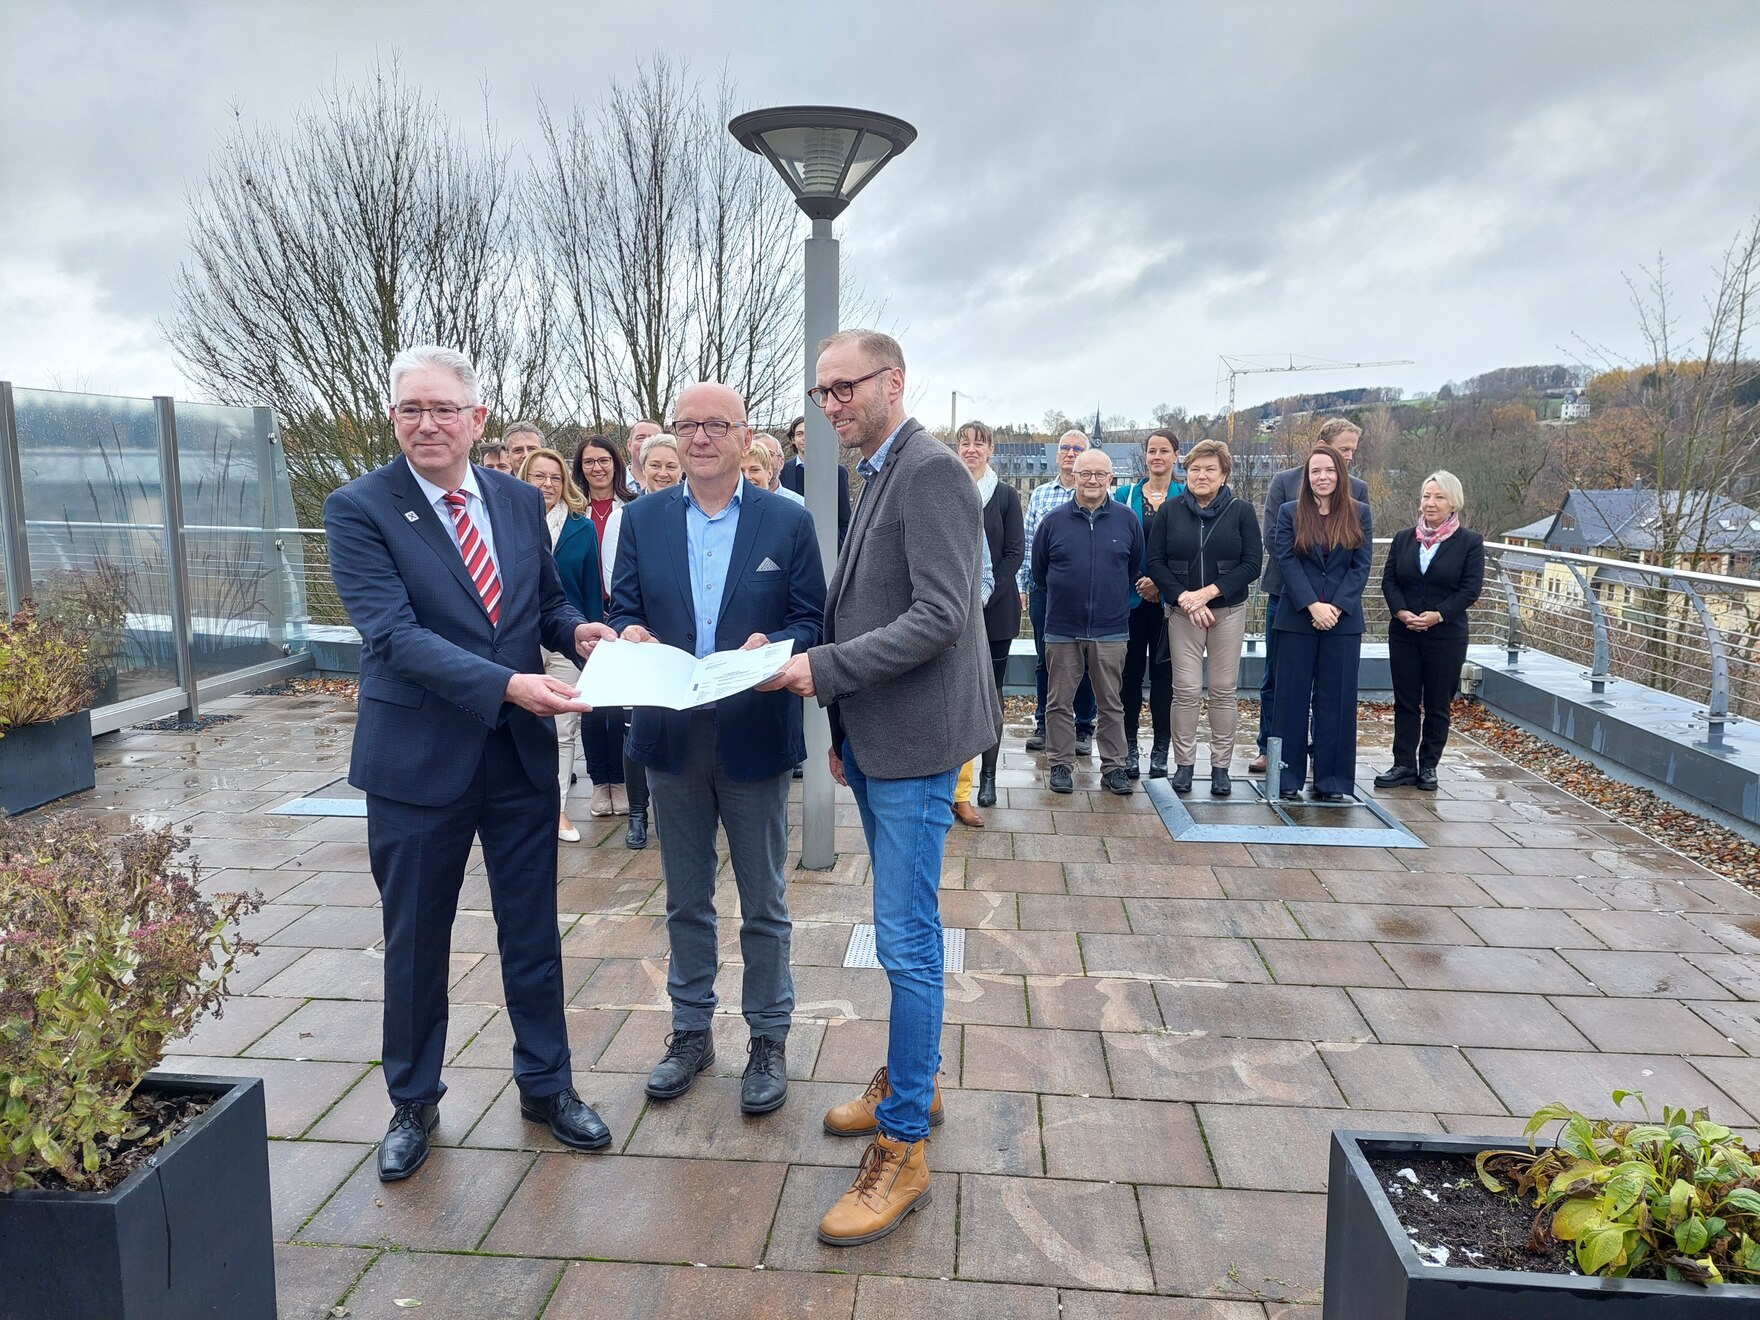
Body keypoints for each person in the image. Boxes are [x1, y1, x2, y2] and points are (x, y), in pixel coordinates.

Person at [323, 345, 612, 1183]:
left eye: (443, 409)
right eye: (410, 409)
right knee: (415, 940)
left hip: (516, 757)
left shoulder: (521, 500)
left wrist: (576, 634)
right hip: (417, 762)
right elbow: (394, 637)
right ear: (393, 419)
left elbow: (541, 605)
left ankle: (546, 1088)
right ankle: (412, 1102)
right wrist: (511, 684)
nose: (427, 424)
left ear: (477, 418)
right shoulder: (359, 508)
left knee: (532, 934)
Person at [761, 329, 998, 1248]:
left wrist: (824, 672)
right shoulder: (878, 467)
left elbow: (942, 615)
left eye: (844, 388)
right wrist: (837, 707)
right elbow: (870, 599)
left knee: (905, 940)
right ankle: (917, 1079)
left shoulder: (930, 469)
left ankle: (904, 1146)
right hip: (879, 733)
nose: (831, 406)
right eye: (820, 393)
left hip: (918, 743)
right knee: (903, 930)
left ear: (894, 382)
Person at [607, 382, 826, 1116]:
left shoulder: (785, 521)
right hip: (670, 732)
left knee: (763, 900)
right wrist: (631, 632)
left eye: (715, 425)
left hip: (754, 728)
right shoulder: (642, 519)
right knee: (685, 899)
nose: (700, 437)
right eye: (688, 425)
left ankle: (768, 1038)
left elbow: (811, 616)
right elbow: (625, 606)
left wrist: (779, 645)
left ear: (743, 434)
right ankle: (691, 1032)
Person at [1145, 440, 1262, 796]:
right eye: (1195, 468)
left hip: (1226, 611)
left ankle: (1221, 767)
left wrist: (1208, 593)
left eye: (1210, 469)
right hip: (1182, 613)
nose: (1201, 475)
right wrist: (1185, 599)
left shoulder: (1241, 511)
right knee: (1186, 691)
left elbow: (1252, 564)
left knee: (1224, 691)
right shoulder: (1170, 511)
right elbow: (1155, 563)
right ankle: (1184, 765)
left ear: (1224, 474)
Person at [1252, 418, 1366, 775]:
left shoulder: (1358, 493)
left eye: (1350, 453)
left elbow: (1356, 555)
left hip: (1337, 609)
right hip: (1289, 599)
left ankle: (1324, 760)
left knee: (1333, 689)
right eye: (1342, 450)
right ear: (1321, 445)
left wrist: (1332, 603)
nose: (1347, 458)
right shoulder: (1284, 484)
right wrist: (1310, 601)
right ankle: (1273, 751)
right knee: (1281, 682)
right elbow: (1275, 541)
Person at [1032, 448, 1143, 797]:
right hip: (1062, 627)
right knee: (1058, 701)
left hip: (1110, 629)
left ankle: (1113, 768)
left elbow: (1133, 568)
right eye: (1085, 474)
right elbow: (1039, 573)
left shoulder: (1127, 521)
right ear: (1074, 477)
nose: (1092, 480)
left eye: (1100, 474)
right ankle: (1061, 765)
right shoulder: (1053, 521)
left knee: (1111, 702)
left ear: (1111, 479)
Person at [1376, 470, 1485, 792]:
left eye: (1438, 497)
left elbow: (1470, 589)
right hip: (1404, 632)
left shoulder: (1469, 543)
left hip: (1445, 635)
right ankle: (1403, 764)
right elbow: (1390, 580)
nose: (1431, 503)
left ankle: (1428, 767)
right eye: (1426, 496)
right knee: (1405, 701)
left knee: (1438, 703)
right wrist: (1400, 611)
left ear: (1453, 502)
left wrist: (1438, 615)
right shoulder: (1403, 538)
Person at [519, 447, 603, 842]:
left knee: (564, 728)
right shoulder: (508, 522)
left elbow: (588, 590)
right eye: (539, 476)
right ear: (524, 478)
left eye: (555, 477)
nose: (548, 484)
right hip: (521, 640)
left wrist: (590, 637)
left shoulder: (580, 527)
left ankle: (559, 810)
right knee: (524, 725)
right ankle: (526, 804)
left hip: (568, 638)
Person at [956, 420, 1025, 810]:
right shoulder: (948, 488)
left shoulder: (1005, 496)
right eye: (964, 443)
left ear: (991, 450)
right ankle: (955, 781)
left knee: (992, 694)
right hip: (954, 610)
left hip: (996, 610)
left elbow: (1014, 552)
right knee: (960, 690)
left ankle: (988, 776)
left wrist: (986, 593)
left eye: (978, 444)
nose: (971, 450)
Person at [1019, 430, 1098, 755]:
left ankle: (1082, 728)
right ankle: (1044, 723)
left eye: (1077, 448)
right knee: (1045, 660)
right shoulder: (1040, 495)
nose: (1069, 453)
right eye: (1064, 448)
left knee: (1085, 660)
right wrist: (1022, 585)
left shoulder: (1095, 493)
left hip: (1084, 593)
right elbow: (1027, 544)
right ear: (1057, 455)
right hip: (1044, 591)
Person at [572, 434, 637, 816]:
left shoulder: (631, 508)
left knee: (619, 704)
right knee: (591, 704)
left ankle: (623, 780)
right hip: (582, 617)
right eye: (588, 462)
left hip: (620, 614)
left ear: (616, 463)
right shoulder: (573, 510)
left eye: (603, 460)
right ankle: (601, 782)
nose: (597, 468)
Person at [1116, 428, 1181, 778]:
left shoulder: (1185, 496)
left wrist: (1160, 583)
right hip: (1130, 601)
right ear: (1145, 456)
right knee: (1128, 677)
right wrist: (1140, 583)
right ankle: (1128, 747)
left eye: (1164, 451)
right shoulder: (1125, 496)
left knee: (1164, 677)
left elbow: (1188, 550)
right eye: (1152, 451)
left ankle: (1160, 749)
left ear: (1175, 455)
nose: (1157, 457)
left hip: (1170, 604)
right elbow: (1116, 547)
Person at [778, 413, 852, 544]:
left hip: (828, 547)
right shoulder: (782, 472)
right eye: (799, 434)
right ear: (793, 439)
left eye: (809, 432)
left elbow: (844, 519)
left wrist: (838, 552)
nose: (805, 438)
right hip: (792, 545)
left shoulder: (837, 472)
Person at [626, 420, 662, 494]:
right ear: (629, 445)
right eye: (640, 438)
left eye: (653, 438)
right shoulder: (611, 483)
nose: (646, 443)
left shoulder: (675, 485)